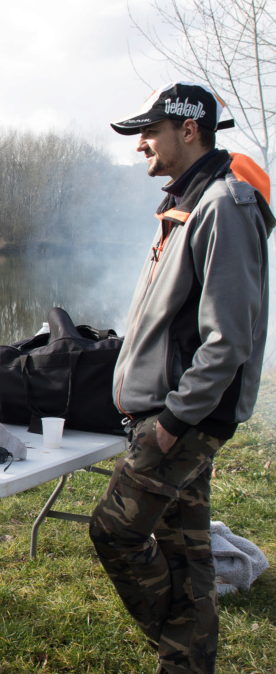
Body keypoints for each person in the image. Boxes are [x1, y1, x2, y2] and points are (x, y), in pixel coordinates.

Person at [90, 81, 274, 674]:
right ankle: (188, 663)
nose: (141, 143)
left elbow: (228, 340)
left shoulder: (224, 206)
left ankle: (179, 645)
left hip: (181, 420)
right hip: (168, 414)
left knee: (114, 532)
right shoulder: (186, 204)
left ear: (188, 129)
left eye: (150, 131)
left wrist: (171, 422)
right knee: (187, 552)